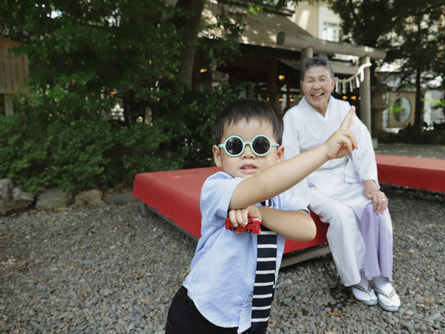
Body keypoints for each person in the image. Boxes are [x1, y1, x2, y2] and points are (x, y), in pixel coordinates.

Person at [165, 98, 358, 333]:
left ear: (279, 155)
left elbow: (307, 229)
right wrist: (324, 152)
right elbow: (261, 187)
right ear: (218, 155)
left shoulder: (281, 197)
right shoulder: (218, 188)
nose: (248, 154)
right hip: (202, 312)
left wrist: (261, 212)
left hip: (252, 314)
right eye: (235, 146)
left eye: (260, 145)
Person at [282, 55, 401, 312]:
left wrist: (370, 182)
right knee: (343, 216)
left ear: (333, 82)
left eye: (322, 80)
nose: (317, 86)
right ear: (302, 84)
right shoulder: (292, 117)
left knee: (376, 207)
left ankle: (381, 278)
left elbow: (363, 147)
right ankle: (358, 278)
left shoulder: (344, 111)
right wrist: (298, 200)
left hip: (348, 179)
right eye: (310, 80)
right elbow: (290, 160)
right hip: (314, 184)